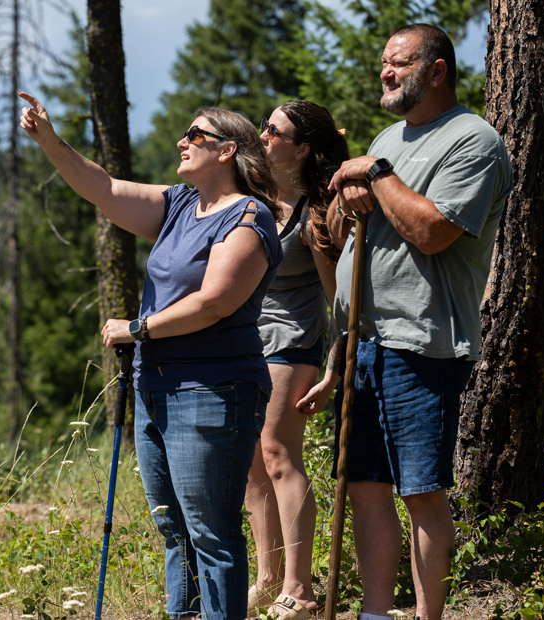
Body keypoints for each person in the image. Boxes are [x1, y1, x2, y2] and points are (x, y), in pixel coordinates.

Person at [19, 91, 283, 619]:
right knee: (173, 525)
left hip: (213, 390)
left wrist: (138, 329)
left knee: (210, 531)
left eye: (195, 135)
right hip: (155, 388)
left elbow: (214, 302)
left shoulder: (249, 217)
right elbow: (105, 188)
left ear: (228, 150)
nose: (182, 142)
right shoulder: (182, 205)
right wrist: (49, 139)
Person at [326, 24, 512, 620]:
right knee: (365, 488)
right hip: (365, 340)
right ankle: (377, 614)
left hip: (422, 343)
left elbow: (432, 232)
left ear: (437, 71)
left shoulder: (473, 141)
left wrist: (375, 175)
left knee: (422, 493)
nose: (386, 72)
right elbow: (342, 227)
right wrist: (350, 195)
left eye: (400, 63)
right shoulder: (388, 136)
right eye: (383, 62)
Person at [244, 100, 350, 619]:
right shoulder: (255, 200)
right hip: (246, 342)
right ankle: (265, 578)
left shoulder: (316, 215)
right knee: (250, 461)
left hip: (293, 340)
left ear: (302, 147)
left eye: (273, 130)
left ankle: (300, 589)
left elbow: (340, 301)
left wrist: (335, 369)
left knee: (279, 454)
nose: (262, 136)